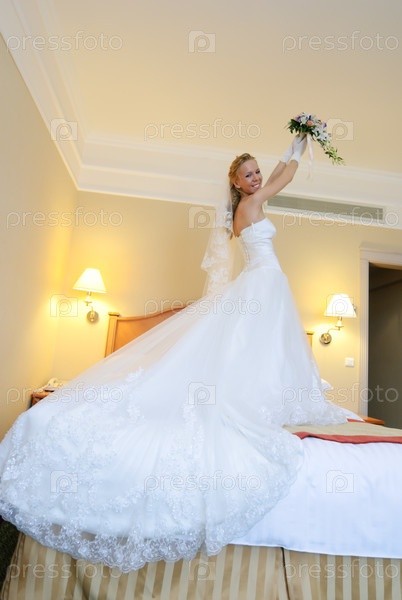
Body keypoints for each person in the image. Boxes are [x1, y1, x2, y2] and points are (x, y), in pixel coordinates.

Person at [0, 136, 348, 573]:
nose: (257, 178)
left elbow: (277, 176)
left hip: (264, 282)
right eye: (249, 174)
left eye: (257, 171)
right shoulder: (251, 204)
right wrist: (299, 146)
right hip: (263, 283)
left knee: (253, 349)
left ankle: (265, 395)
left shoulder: (248, 203)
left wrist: (289, 149)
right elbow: (286, 178)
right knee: (252, 347)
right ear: (237, 184)